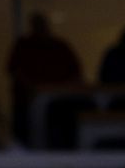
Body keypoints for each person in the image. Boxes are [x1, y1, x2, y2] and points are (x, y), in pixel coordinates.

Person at [6, 13, 83, 144]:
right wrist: (31, 87)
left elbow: (76, 74)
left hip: (59, 105)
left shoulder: (60, 46)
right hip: (27, 103)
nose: (40, 29)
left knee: (57, 134)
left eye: (42, 26)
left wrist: (61, 90)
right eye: (37, 26)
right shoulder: (24, 46)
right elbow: (15, 70)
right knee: (26, 137)